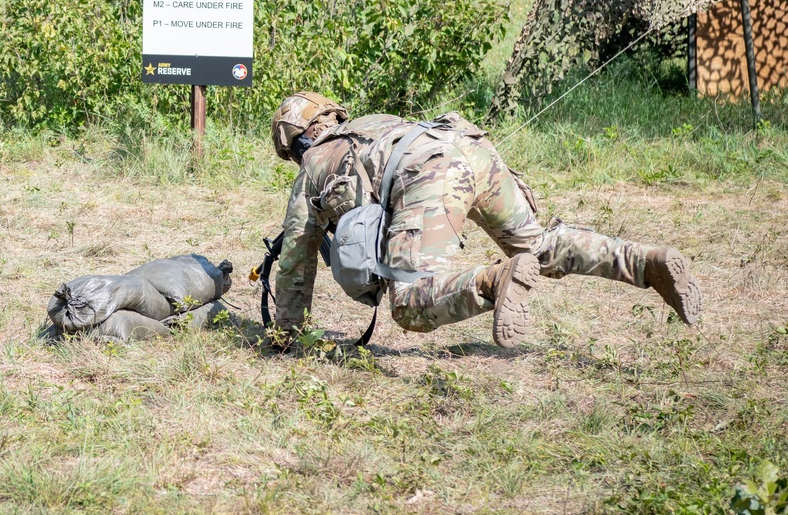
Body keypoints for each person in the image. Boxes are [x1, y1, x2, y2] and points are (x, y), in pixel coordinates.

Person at [270, 91, 702, 348]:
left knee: (409, 304)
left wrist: (287, 334)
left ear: (293, 144)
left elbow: (295, 262)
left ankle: (494, 282)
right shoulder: (372, 122)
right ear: (331, 116)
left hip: (429, 173)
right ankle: (648, 261)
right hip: (470, 149)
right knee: (542, 248)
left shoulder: (313, 167)